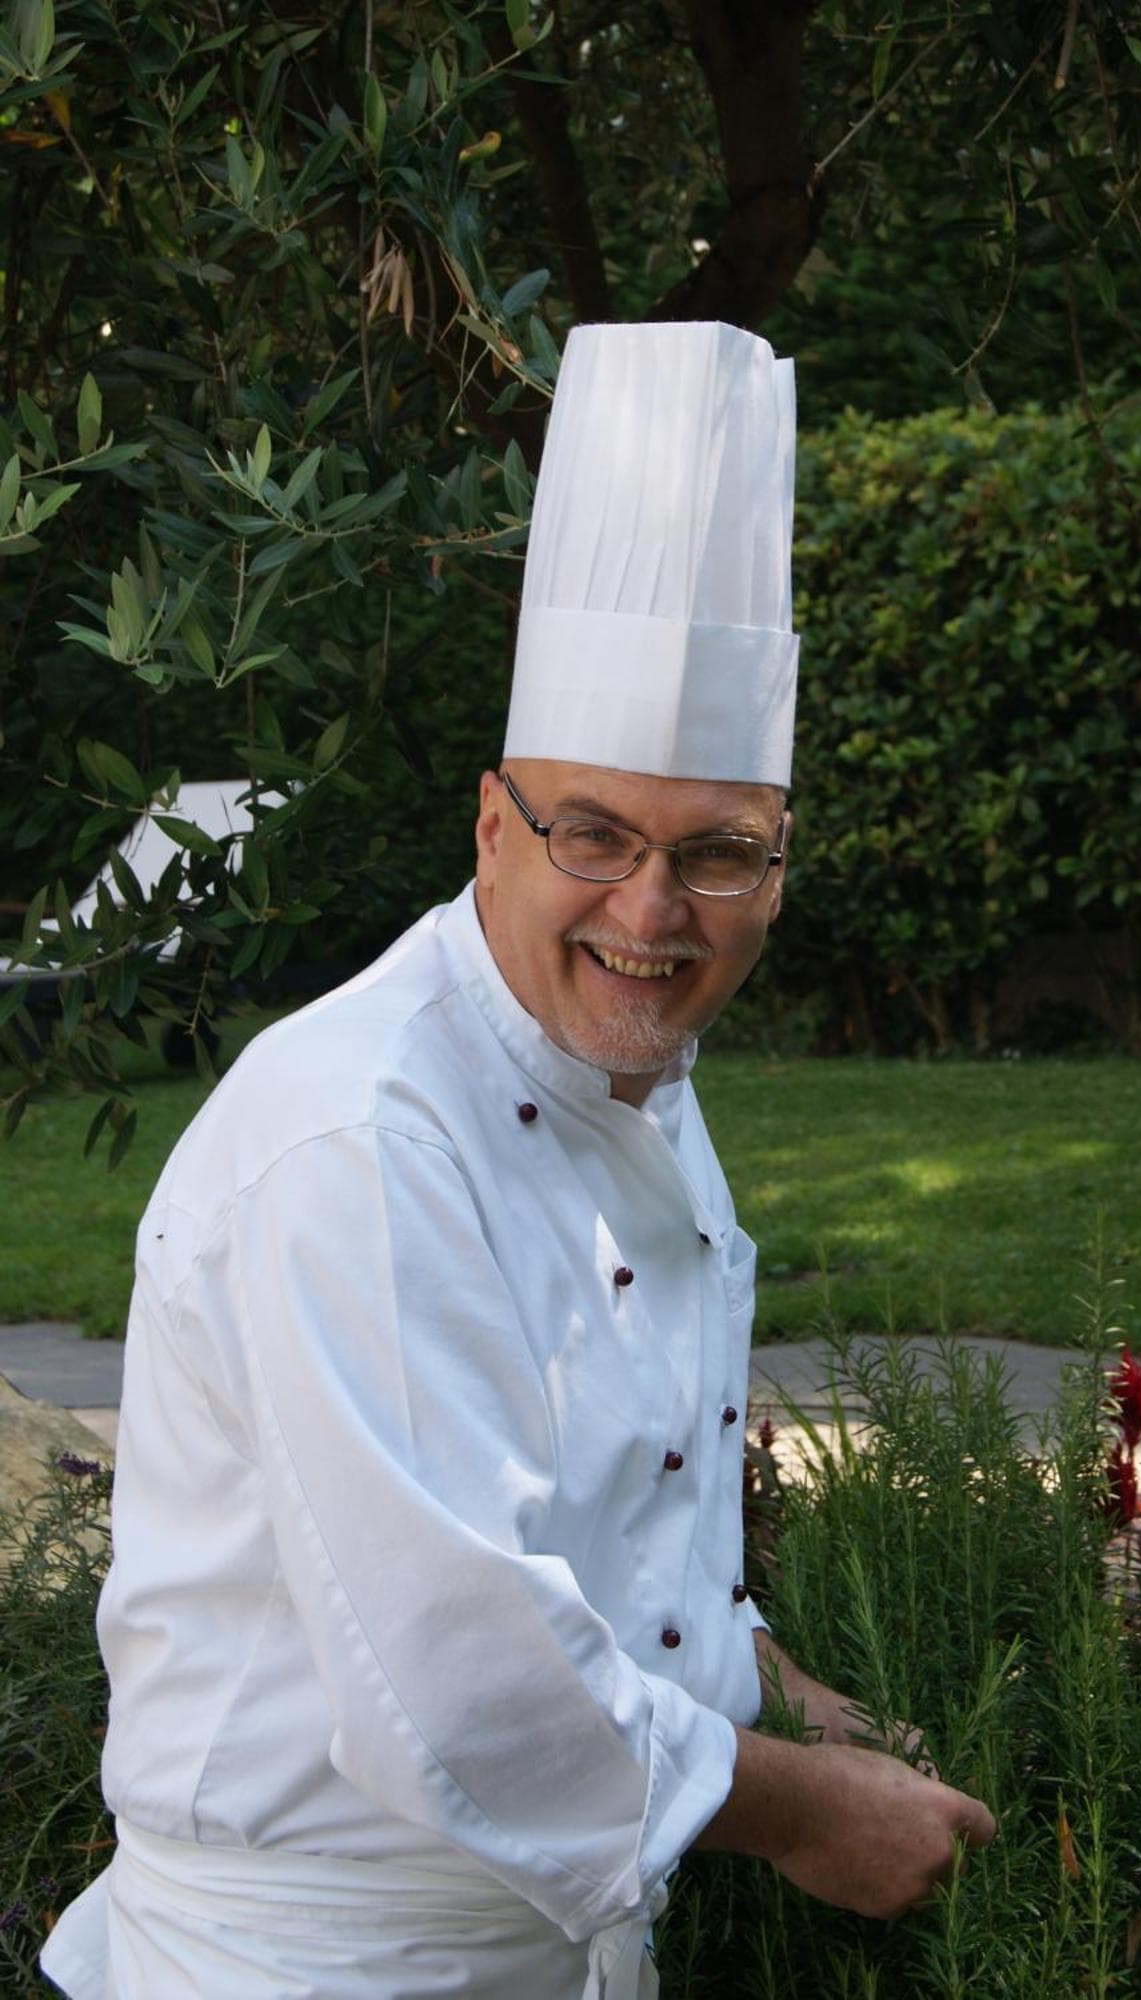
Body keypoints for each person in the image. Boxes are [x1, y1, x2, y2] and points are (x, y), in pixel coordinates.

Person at [42, 321, 994, 2000]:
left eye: (718, 852)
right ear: (494, 829)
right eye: (594, 833)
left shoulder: (628, 1072)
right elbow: (466, 1683)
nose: (653, 909)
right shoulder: (358, 1139)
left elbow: (614, 1516)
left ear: (780, 866)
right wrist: (806, 1811)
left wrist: (782, 1691)